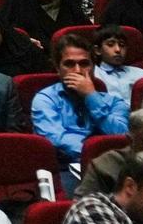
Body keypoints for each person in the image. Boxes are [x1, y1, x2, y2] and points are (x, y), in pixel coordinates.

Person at [30, 31, 129, 189]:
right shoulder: (45, 99)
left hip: (113, 166)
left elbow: (122, 136)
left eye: (84, 64)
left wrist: (91, 97)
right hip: (65, 168)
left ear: (93, 67)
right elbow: (56, 140)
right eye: (69, 64)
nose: (77, 71)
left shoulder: (114, 102)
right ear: (57, 68)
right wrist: (98, 154)